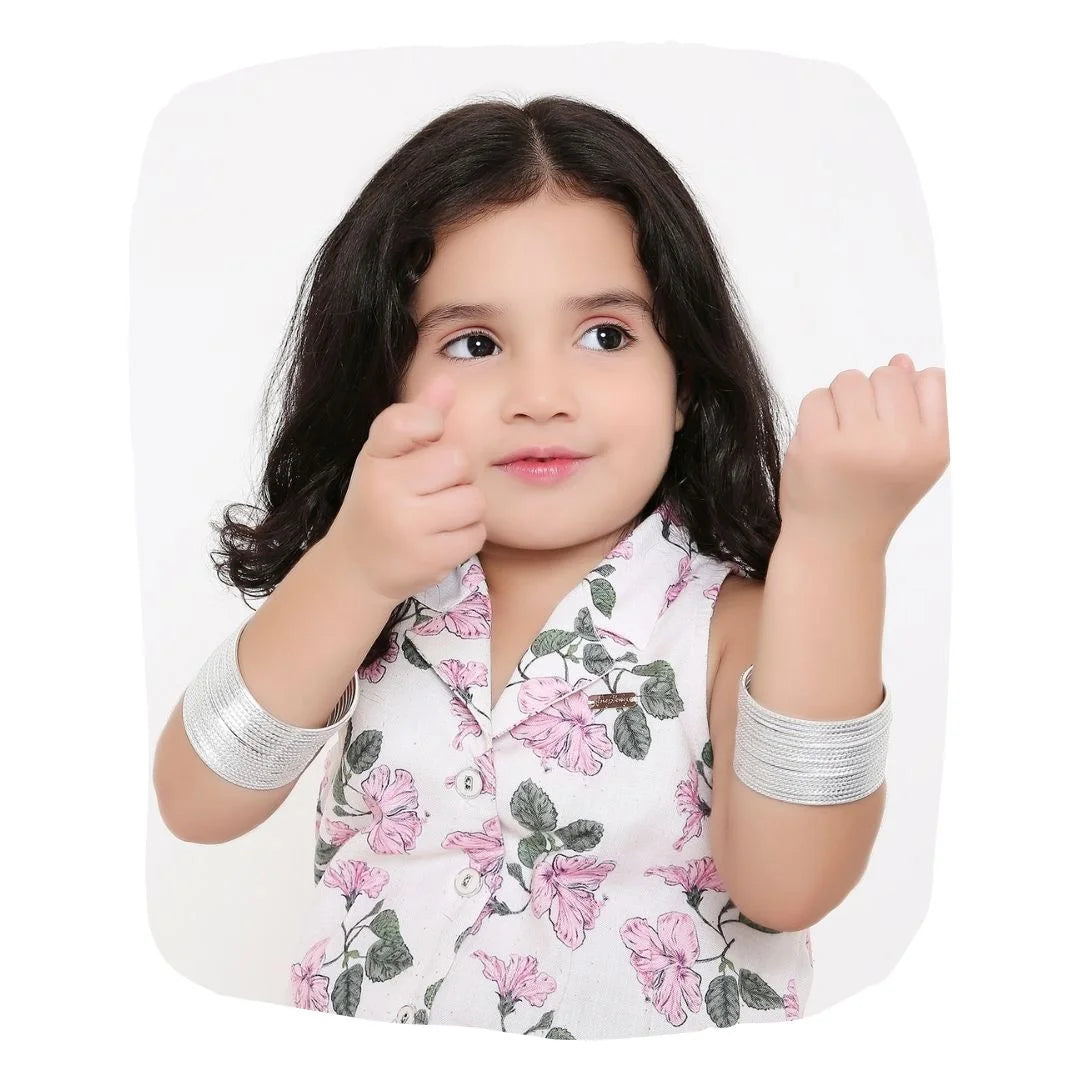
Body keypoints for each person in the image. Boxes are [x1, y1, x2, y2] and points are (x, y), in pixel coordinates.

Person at [152, 93, 949, 1039]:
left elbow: (793, 884)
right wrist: (351, 570)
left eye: (605, 335)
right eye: (475, 344)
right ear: (386, 379)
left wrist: (837, 548)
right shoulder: (371, 598)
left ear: (684, 378)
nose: (540, 395)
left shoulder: (732, 625)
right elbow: (196, 802)